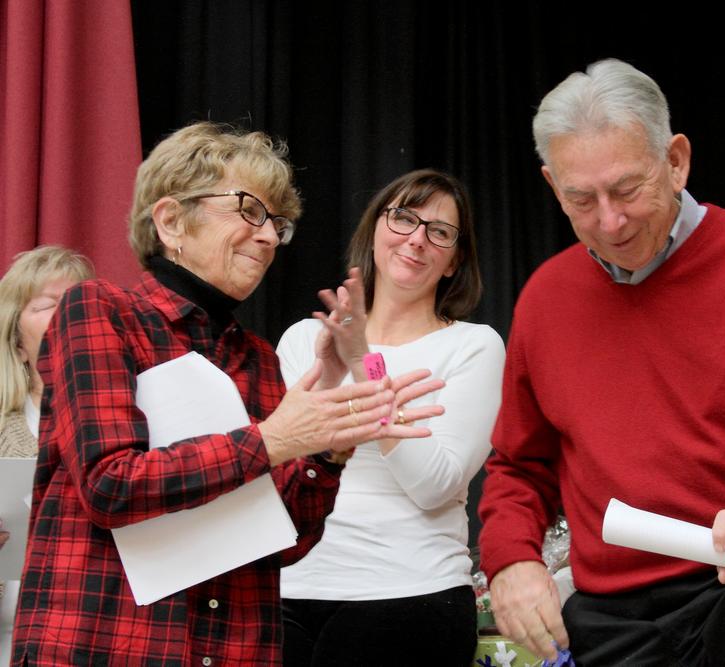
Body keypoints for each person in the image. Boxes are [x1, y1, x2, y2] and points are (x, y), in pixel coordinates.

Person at [11, 122, 446, 666]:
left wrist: (329, 447)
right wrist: (272, 440)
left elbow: (284, 544)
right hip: (105, 644)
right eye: (249, 210)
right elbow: (109, 485)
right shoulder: (98, 310)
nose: (269, 237)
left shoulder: (260, 359)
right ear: (171, 220)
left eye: (277, 223)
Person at [477, 59, 725, 666]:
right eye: (581, 199)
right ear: (553, 186)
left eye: (628, 189)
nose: (610, 221)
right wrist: (511, 559)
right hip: (616, 614)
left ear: (676, 160)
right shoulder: (545, 298)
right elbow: (519, 467)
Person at [278, 169, 505, 666]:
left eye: (439, 231)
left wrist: (363, 361)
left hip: (412, 591)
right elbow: (281, 460)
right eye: (404, 218)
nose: (417, 239)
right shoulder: (301, 340)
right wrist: (358, 382)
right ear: (376, 229)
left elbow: (434, 484)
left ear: (454, 262)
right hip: (288, 587)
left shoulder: (473, 346)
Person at [0, 245, 94, 666]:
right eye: (48, 305)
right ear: (17, 344)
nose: (67, 315)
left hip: (94, 635)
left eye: (77, 302)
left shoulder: (133, 420)